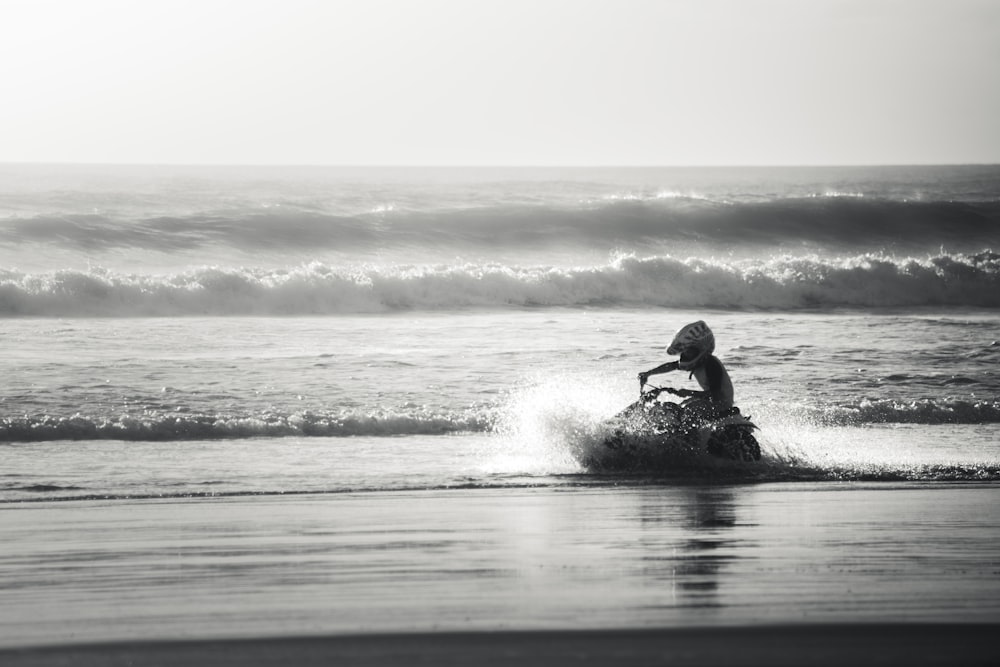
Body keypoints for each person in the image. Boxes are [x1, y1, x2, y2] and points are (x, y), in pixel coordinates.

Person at [637, 320, 734, 422]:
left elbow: (715, 394)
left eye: (688, 351)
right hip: (710, 401)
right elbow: (672, 366)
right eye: (684, 352)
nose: (685, 354)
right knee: (676, 408)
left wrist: (689, 392)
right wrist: (648, 373)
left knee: (684, 413)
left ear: (699, 350)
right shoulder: (698, 363)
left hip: (721, 404)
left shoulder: (711, 364)